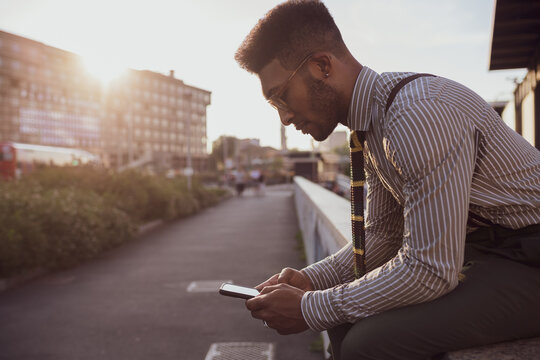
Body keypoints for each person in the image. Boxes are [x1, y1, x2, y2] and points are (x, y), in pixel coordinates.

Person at [234, 1, 540, 359]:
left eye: (280, 96)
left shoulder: (417, 115)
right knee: (342, 319)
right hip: (494, 251)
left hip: (527, 257)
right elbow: (385, 234)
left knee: (370, 343)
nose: (284, 118)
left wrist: (310, 307)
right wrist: (311, 281)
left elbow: (430, 269)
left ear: (321, 66)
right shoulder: (374, 122)